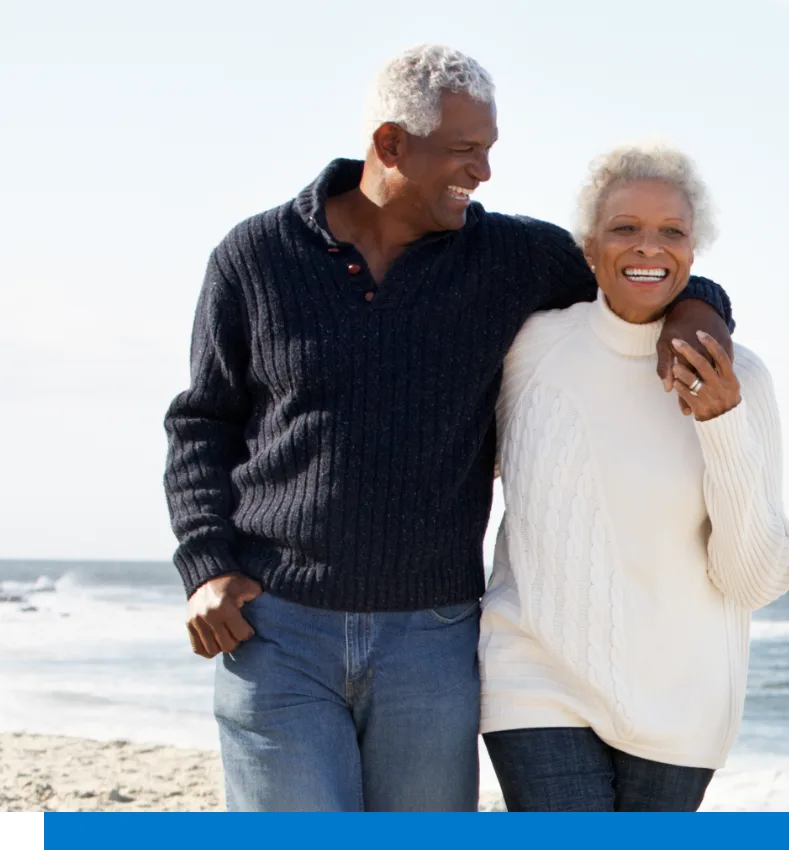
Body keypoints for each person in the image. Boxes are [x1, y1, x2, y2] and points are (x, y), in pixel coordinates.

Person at [162, 46, 735, 812]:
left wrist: (696, 317)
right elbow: (203, 421)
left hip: (431, 641)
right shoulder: (255, 258)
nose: (485, 172)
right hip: (279, 632)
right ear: (391, 145)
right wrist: (206, 564)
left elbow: (644, 265)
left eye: (490, 150)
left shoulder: (506, 257)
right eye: (466, 151)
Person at [478, 143, 789, 812]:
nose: (647, 248)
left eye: (671, 232)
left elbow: (750, 579)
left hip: (681, 699)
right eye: (624, 228)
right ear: (590, 246)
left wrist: (722, 423)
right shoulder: (527, 349)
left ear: (694, 250)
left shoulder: (744, 377)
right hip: (535, 675)